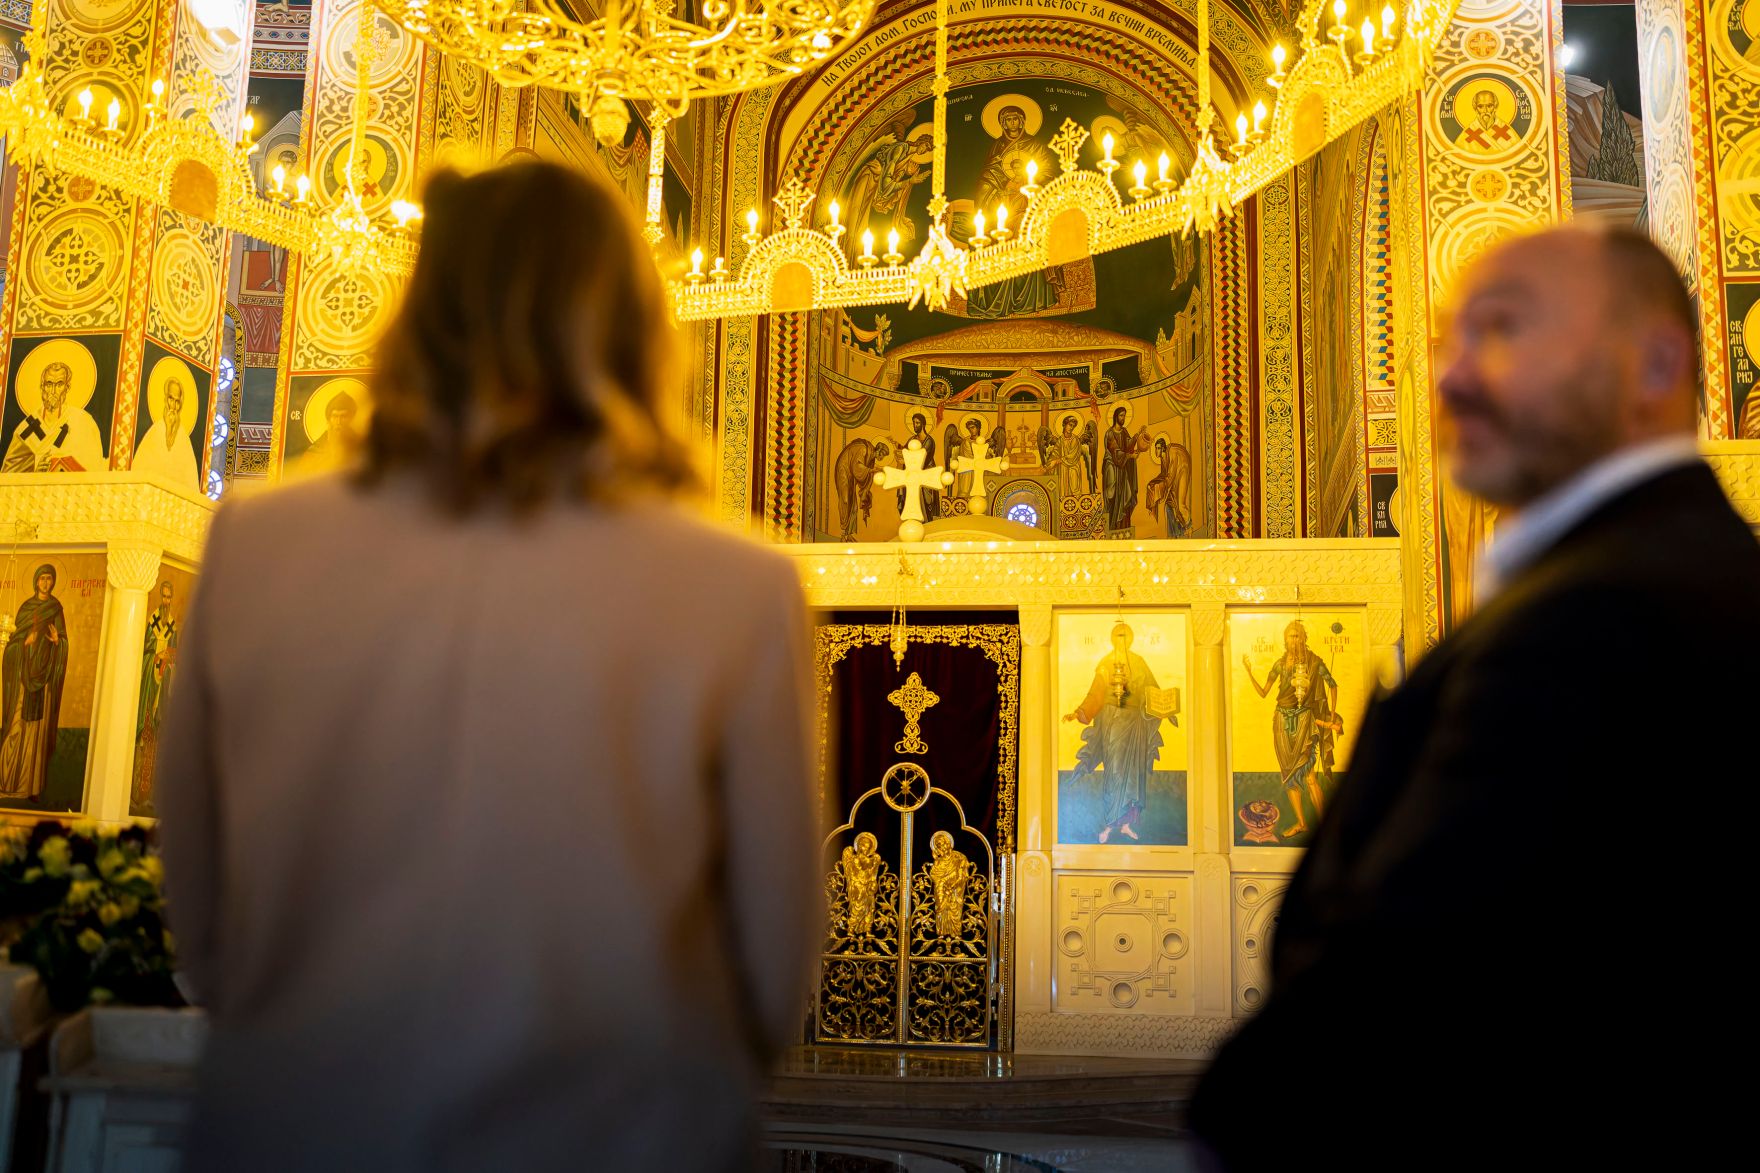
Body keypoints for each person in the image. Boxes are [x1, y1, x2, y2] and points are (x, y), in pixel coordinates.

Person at [156, 160, 821, 1173]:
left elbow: (201, 928)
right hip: (621, 1139)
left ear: (419, 310)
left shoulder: (255, 543)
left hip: (298, 1131)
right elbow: (773, 973)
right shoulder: (737, 586)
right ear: (634, 327)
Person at [1189, 225, 1760, 1167]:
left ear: (1657, 360)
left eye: (1500, 329)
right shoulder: (1670, 577)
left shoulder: (1596, 620)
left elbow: (1384, 1009)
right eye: (1447, 341)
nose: (1451, 378)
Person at [1063, 621, 1173, 843]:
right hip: (1113, 721)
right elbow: (1095, 694)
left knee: (1134, 773)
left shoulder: (1139, 662)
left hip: (1135, 723)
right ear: (1113, 639)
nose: (1121, 640)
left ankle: (1127, 824)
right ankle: (1110, 824)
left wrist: (1167, 708)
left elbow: (1153, 690)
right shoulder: (1105, 663)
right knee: (1114, 772)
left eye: (1125, 636)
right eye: (1118, 636)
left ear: (1130, 638)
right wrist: (1079, 713)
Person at [1239, 620, 1339, 839]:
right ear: (1285, 640)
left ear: (1304, 638)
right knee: (1289, 776)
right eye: (1290, 636)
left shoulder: (1315, 662)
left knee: (1310, 775)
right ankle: (1302, 823)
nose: (1294, 640)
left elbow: (1332, 684)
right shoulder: (1280, 664)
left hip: (1304, 719)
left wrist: (1331, 713)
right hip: (1282, 721)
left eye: (1297, 636)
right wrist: (1248, 672)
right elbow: (1264, 692)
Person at [0, 564, 69, 802]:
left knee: (36, 734)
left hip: (44, 681)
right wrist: (24, 644)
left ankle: (31, 788)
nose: (46, 583)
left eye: (50, 579)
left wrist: (56, 642)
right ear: (36, 581)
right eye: (42, 579)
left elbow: (63, 642)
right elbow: (11, 646)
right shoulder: (25, 609)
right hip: (22, 679)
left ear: (54, 582)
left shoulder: (56, 609)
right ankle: (7, 783)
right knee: (16, 727)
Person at [3, 359, 105, 472]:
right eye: (49, 384)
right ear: (42, 387)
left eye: (59, 384)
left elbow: (95, 468)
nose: (53, 391)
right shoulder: (25, 429)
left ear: (67, 388)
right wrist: (34, 475)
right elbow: (7, 478)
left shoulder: (83, 421)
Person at [132, 579, 179, 812]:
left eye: (170, 597)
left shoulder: (172, 625)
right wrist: (155, 659)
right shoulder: (152, 621)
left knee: (157, 745)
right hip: (148, 693)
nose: (167, 601)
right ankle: (134, 795)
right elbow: (143, 653)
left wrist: (168, 661)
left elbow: (175, 657)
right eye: (164, 596)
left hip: (161, 696)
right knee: (142, 741)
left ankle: (151, 797)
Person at [133, 377, 200, 490]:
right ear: (165, 399)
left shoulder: (184, 440)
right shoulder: (155, 431)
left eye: (177, 401)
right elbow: (138, 471)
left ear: (181, 404)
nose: (173, 406)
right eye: (170, 399)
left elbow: (191, 483)